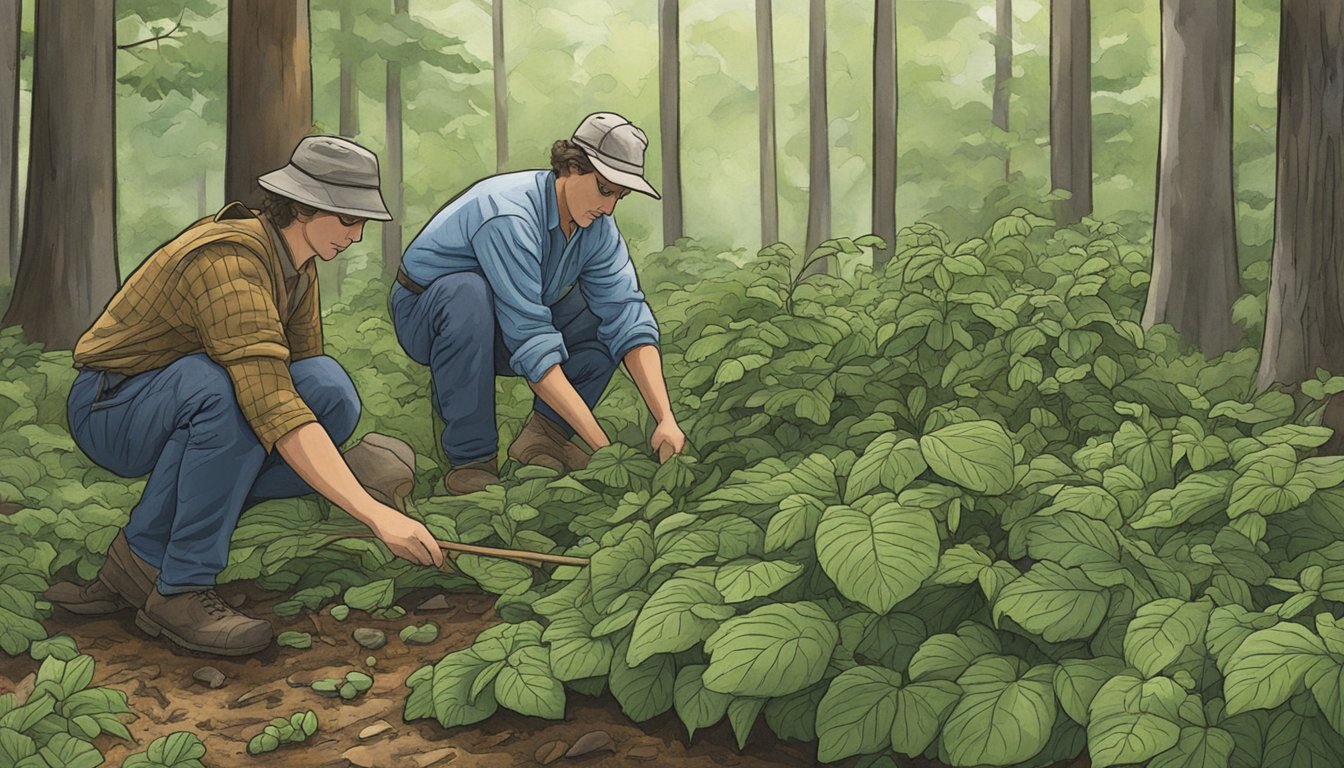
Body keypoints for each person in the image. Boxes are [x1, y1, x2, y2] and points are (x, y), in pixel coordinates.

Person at [45, 136, 444, 657]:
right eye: (348, 219)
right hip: (114, 407)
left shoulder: (296, 266)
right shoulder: (227, 257)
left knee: (329, 390)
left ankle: (137, 560)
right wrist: (373, 511)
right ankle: (181, 587)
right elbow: (267, 398)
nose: (358, 234)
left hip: (186, 398)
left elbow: (298, 379)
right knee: (226, 391)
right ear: (303, 207)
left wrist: (339, 477)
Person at [392, 111, 686, 494]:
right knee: (468, 295)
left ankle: (544, 436)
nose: (610, 207)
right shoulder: (508, 214)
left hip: (500, 322)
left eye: (619, 195)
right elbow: (530, 337)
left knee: (601, 316)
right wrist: (605, 450)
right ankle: (471, 460)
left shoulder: (598, 228)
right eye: (603, 188)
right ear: (570, 167)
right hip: (431, 317)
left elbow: (626, 313)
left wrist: (665, 418)